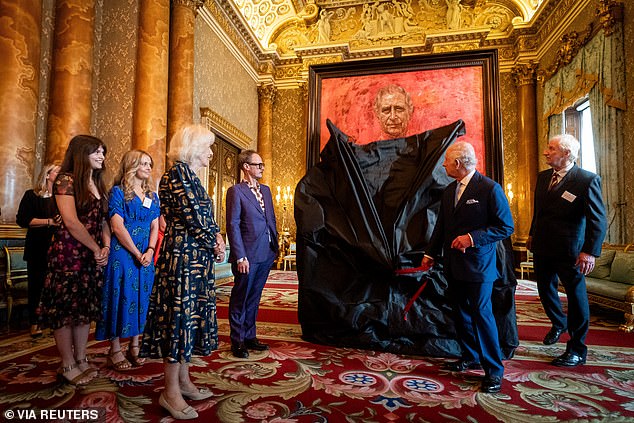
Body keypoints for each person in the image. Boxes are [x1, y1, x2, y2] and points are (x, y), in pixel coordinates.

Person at [139, 124, 225, 420]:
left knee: (189, 320)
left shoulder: (191, 176)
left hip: (195, 258)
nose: (211, 153)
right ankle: (169, 391)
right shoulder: (176, 174)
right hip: (182, 259)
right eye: (207, 147)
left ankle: (184, 381)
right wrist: (216, 239)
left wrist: (215, 239)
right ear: (192, 148)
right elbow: (196, 218)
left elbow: (203, 219)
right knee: (178, 321)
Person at [422, 141, 514, 393]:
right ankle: (470, 355)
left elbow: (505, 227)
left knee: (482, 316)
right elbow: (441, 227)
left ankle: (494, 370)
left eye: (446, 161)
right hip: (453, 265)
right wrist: (430, 253)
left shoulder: (489, 189)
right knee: (461, 314)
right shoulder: (450, 190)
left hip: (478, 267)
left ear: (458, 163)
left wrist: (472, 238)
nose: (443, 165)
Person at [527, 134, 606, 367]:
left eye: (551, 149)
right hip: (542, 246)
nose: (545, 152)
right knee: (544, 289)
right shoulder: (543, 178)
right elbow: (539, 211)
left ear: (567, 154)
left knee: (576, 297)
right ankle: (558, 322)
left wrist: (590, 251)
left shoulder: (586, 180)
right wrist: (532, 234)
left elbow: (597, 220)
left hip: (570, 251)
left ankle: (577, 348)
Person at [38, 135, 111, 386]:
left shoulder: (98, 183)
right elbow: (70, 221)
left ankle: (81, 358)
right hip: (68, 252)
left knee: (83, 309)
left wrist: (106, 247)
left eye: (103, 151)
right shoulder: (66, 179)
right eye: (97, 152)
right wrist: (94, 248)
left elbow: (104, 221)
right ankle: (67, 363)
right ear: (82, 153)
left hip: (92, 253)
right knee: (65, 310)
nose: (102, 156)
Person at [96, 150, 160, 370]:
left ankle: (135, 346)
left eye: (150, 164)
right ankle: (114, 350)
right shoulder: (118, 192)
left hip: (146, 253)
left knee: (142, 297)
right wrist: (135, 252)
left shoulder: (152, 196)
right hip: (123, 252)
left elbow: (155, 226)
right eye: (143, 163)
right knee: (119, 295)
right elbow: (116, 226)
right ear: (132, 165)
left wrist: (150, 250)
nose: (148, 167)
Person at [226, 150, 278, 359]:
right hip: (247, 255)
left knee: (254, 298)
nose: (262, 168)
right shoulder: (236, 191)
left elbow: (270, 219)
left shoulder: (265, 190)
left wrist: (274, 247)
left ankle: (250, 336)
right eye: (258, 164)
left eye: (262, 164)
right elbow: (233, 224)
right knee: (241, 297)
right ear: (246, 166)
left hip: (266, 253)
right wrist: (240, 255)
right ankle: (237, 340)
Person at [16, 163, 62, 338]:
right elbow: (23, 219)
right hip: (37, 247)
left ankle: (51, 321)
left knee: (54, 287)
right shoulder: (32, 195)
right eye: (57, 172)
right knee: (37, 285)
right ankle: (34, 322)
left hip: (57, 248)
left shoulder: (61, 197)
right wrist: (50, 221)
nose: (60, 175)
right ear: (48, 175)